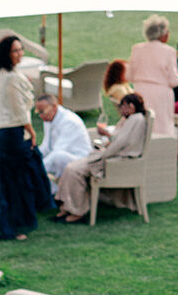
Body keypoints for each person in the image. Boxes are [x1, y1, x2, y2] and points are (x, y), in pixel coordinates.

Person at [0, 36, 54, 241]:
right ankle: (9, 225)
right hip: (12, 132)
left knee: (8, 178)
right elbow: (18, 110)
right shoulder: (9, 78)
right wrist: (32, 130)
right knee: (15, 180)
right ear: (6, 54)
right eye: (15, 51)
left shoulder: (4, 74)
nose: (20, 54)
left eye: (21, 50)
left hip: (5, 131)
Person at [55, 92, 148, 223]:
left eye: (122, 107)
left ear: (131, 106)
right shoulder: (131, 120)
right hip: (110, 156)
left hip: (114, 161)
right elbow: (120, 139)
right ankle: (67, 206)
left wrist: (104, 153)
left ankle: (77, 210)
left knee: (73, 170)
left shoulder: (135, 119)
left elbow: (121, 142)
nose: (120, 110)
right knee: (71, 168)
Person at [127, 15, 178, 137]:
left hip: (140, 92)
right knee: (161, 128)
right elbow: (173, 80)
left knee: (142, 128)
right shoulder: (169, 51)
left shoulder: (137, 49)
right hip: (161, 95)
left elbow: (129, 75)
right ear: (162, 34)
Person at [35, 94, 91, 179]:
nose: (40, 116)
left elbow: (57, 151)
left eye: (42, 112)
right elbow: (46, 147)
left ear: (54, 107)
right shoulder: (48, 119)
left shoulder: (69, 122)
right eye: (38, 112)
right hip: (62, 155)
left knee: (57, 157)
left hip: (80, 159)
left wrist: (36, 169)